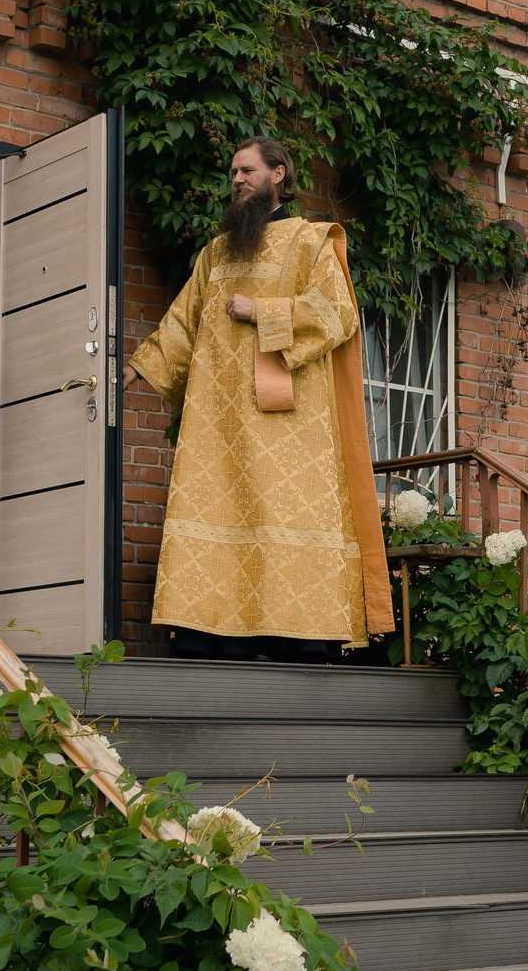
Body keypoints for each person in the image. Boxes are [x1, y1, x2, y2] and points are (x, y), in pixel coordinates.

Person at [124, 137, 392, 659]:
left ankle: (298, 635)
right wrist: (138, 367)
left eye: (247, 170)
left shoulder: (311, 242)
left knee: (282, 514)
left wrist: (262, 311)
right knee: (218, 509)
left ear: (279, 174)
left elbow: (336, 314)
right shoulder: (214, 253)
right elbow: (183, 322)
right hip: (217, 418)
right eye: (232, 173)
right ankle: (209, 632)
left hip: (291, 423)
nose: (237, 180)